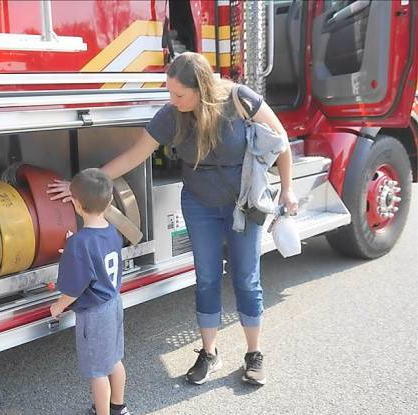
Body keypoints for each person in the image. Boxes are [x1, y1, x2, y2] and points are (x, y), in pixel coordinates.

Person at [49, 52, 298, 387]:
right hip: (199, 205)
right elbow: (134, 155)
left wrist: (287, 190)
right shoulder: (172, 115)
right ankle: (209, 352)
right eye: (170, 92)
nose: (172, 100)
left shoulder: (239, 99)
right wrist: (81, 184)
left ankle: (254, 355)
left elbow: (280, 140)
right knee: (207, 278)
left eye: (179, 94)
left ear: (203, 89)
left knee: (246, 278)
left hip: (242, 203)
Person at [50, 168, 130, 415]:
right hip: (114, 304)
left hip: (94, 314)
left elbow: (74, 288)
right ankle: (119, 409)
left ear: (75, 204)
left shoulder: (79, 244)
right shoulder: (112, 233)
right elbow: (95, 253)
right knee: (114, 360)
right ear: (109, 202)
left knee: (97, 371)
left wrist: (58, 306)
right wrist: (77, 245)